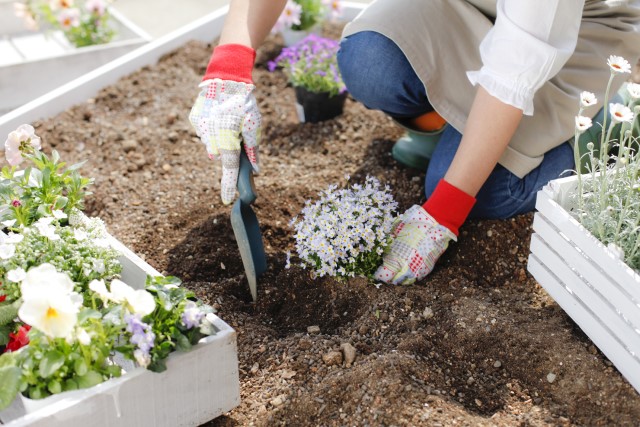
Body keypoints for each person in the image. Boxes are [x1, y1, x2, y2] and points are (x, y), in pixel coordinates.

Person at [189, 0, 640, 285]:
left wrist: (444, 211)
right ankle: (458, 126)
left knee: (482, 192)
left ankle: (605, 117)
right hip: (466, 7)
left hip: (576, 28)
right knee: (370, 59)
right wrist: (228, 70)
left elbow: (514, 69)